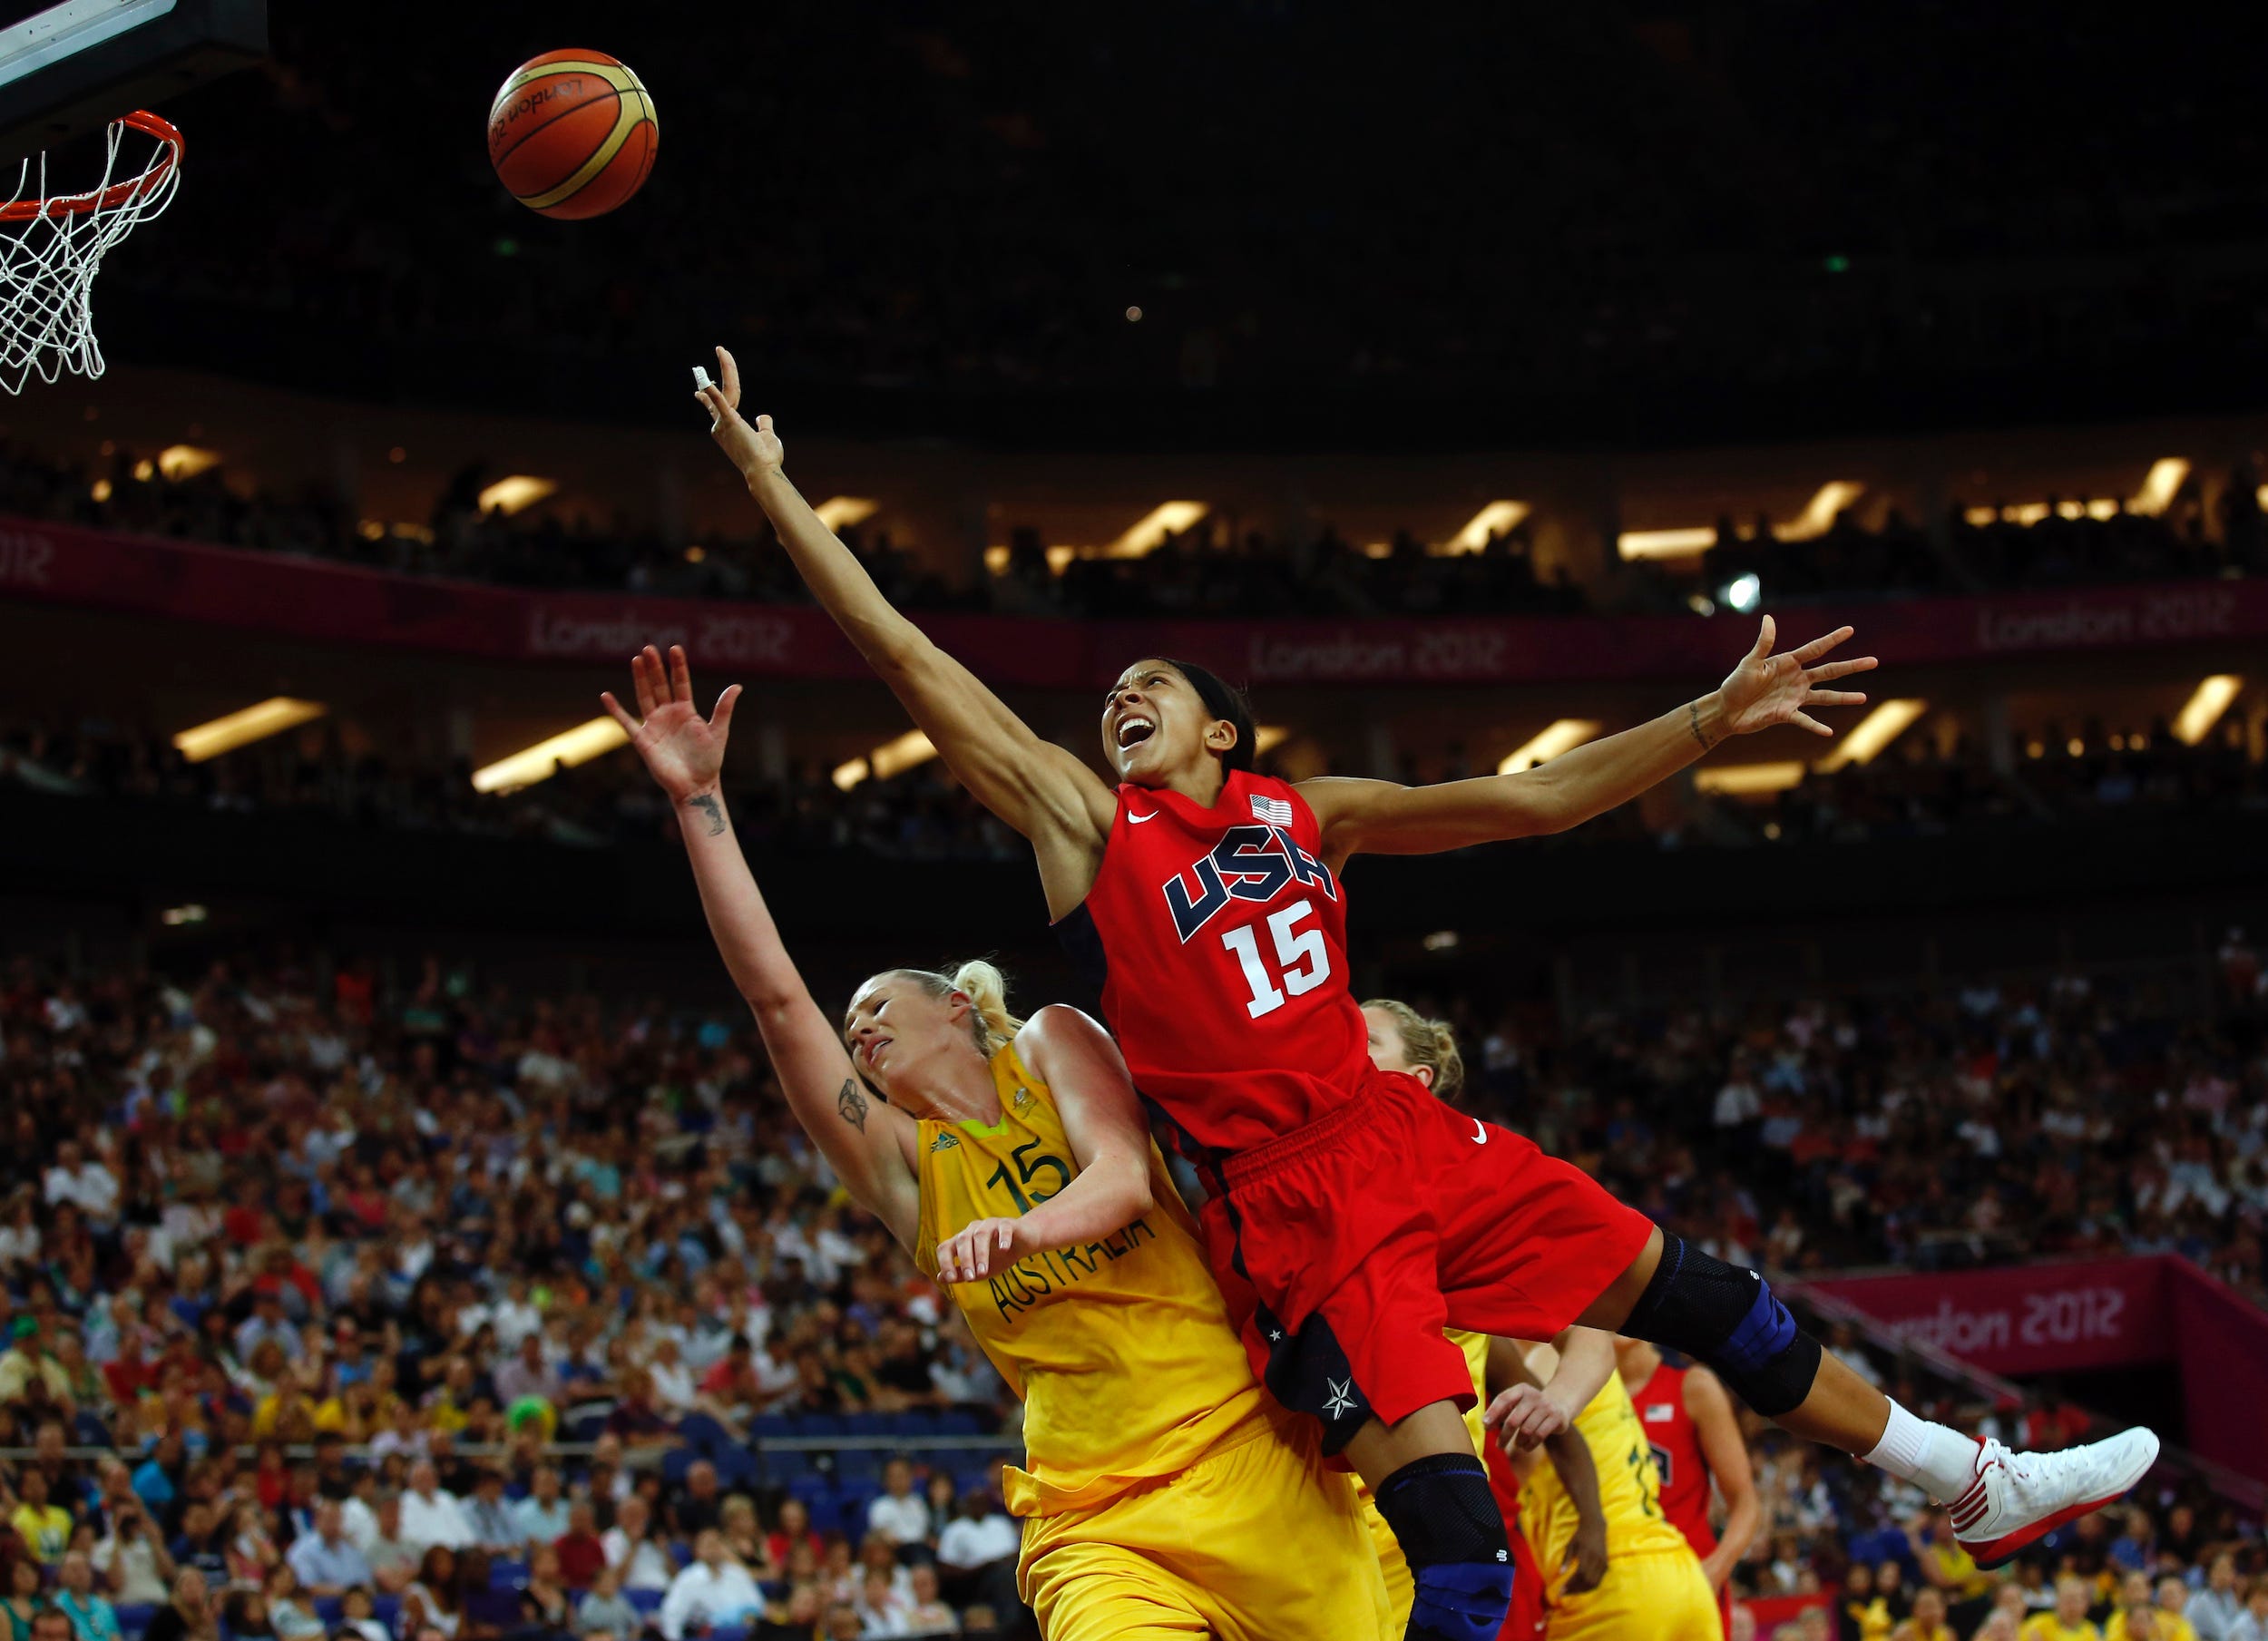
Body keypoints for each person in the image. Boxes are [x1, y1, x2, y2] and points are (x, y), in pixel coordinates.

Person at [688, 356, 2160, 1632]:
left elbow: (1531, 800)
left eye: (1152, 683)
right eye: (1108, 690)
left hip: (1404, 1137)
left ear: (1225, 723)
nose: (1119, 697)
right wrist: (774, 487)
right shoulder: (1087, 827)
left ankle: (1970, 1478)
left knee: (1709, 1294)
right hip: (1294, 1198)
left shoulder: (1305, 810)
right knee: (1458, 1545)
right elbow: (905, 652)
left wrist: (1707, 715)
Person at [602, 648, 1393, 1641]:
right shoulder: (903, 1167)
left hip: (1245, 1450)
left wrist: (1020, 1231)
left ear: (957, 1014)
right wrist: (698, 802)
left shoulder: (1051, 1041)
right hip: (1092, 1511)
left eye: (877, 1004)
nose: (857, 1029)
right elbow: (775, 1000)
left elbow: (1117, 1182)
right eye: (853, 1026)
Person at [1357, 999, 1611, 1638]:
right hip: (1314, 1536)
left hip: (1425, 1549)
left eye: (1367, 1040)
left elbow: (1591, 1329)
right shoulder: (1299, 1178)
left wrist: (1558, 1399)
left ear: (1416, 1080)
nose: (1343, 1046)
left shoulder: (1463, 1193)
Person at [1501, 1336, 1721, 1640]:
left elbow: (1504, 1461)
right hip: (1679, 1572)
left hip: (1608, 1586)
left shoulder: (1542, 1362)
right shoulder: (1586, 1363)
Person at [1614, 1332, 1762, 1633]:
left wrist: (1716, 1569)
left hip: (1688, 1577)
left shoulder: (1692, 1386)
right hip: (1615, 1587)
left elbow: (1746, 1503)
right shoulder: (1581, 1399)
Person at [658, 1531, 760, 1641]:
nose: (714, 1550)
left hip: (744, 1632)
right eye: (709, 1545)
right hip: (710, 1634)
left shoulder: (738, 1573)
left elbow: (757, 1605)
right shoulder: (688, 1579)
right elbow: (671, 1615)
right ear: (697, 1550)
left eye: (717, 1544)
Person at [91, 1498, 174, 1607]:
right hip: (129, 1606)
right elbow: (115, 1584)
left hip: (158, 1602)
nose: (129, 1524)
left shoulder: (148, 1546)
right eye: (125, 1519)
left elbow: (169, 1575)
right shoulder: (103, 1548)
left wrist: (154, 1541)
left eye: (133, 1519)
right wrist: (117, 1537)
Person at [288, 1503, 372, 1598]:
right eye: (330, 1520)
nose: (334, 1524)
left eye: (337, 1520)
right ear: (316, 1521)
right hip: (321, 1607)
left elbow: (366, 1582)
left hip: (357, 1605)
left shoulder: (350, 1549)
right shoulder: (303, 1550)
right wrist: (348, 1593)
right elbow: (308, 1587)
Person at [138, 1568, 220, 1641]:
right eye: (188, 1585)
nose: (193, 1589)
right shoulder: (168, 1614)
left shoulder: (207, 1613)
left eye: (198, 1584)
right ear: (178, 1589)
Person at [53, 1551, 120, 1641]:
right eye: (74, 1569)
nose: (81, 1574)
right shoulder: (56, 1606)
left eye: (85, 1568)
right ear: (61, 1574)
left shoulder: (103, 1606)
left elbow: (115, 1636)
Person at [2020, 1578, 2102, 1641]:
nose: (2072, 1606)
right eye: (2067, 1600)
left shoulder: (2092, 1632)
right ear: (2056, 1603)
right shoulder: (2037, 1624)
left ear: (2086, 1604)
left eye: (2076, 1600)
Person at [573, 1566, 640, 1641]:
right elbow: (581, 1628)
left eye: (612, 1581)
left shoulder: (621, 1601)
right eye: (606, 1581)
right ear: (596, 1584)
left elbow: (636, 1624)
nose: (610, 1585)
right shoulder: (589, 1602)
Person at [2, 1560, 42, 1641]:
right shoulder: (2, 1607)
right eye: (22, 1573)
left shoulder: (44, 1603)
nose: (29, 1578)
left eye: (33, 1572)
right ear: (10, 1576)